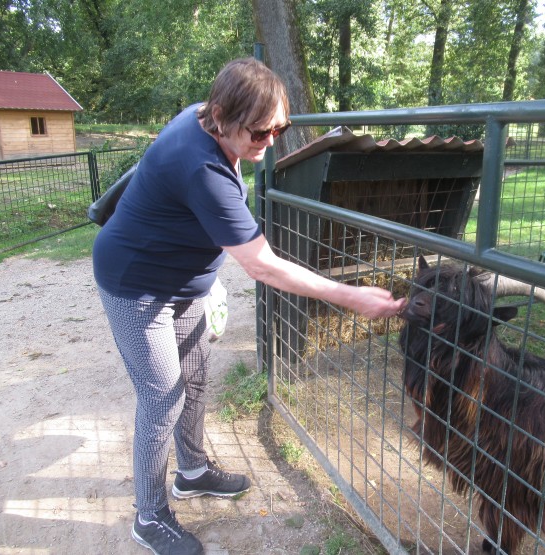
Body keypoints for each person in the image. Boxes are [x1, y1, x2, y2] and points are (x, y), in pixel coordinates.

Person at [92, 57, 405, 555]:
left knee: (193, 376)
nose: (271, 141)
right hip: (137, 286)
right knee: (162, 396)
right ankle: (149, 516)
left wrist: (205, 277)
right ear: (220, 114)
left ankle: (191, 471)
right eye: (261, 132)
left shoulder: (206, 120)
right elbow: (263, 266)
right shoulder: (203, 167)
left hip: (182, 282)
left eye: (279, 127)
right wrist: (349, 295)